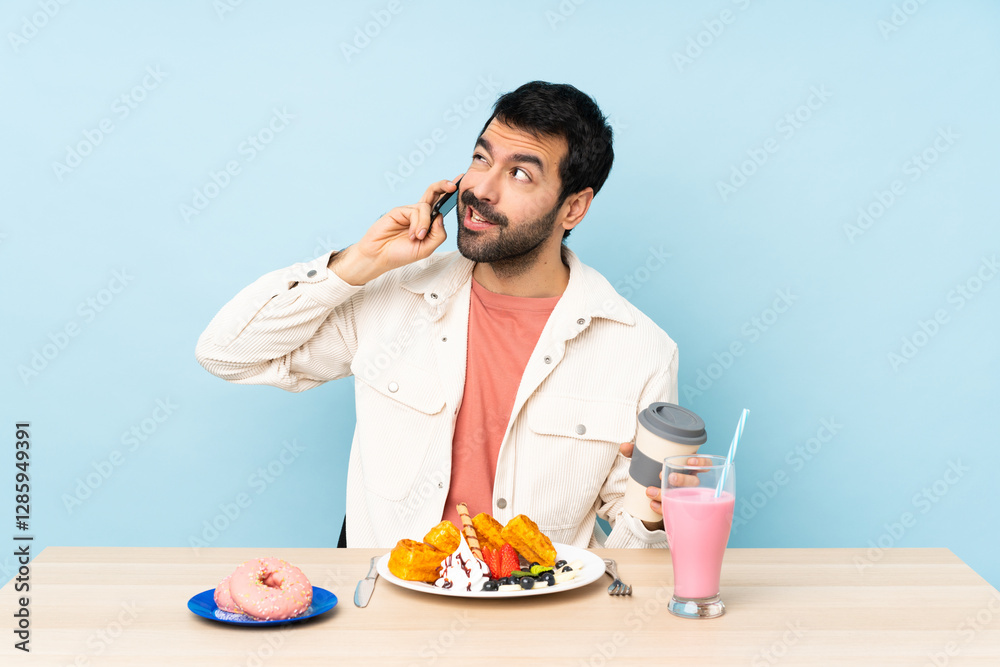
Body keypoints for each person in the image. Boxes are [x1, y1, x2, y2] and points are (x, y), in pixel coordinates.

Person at [195, 80, 687, 550]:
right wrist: (358, 264)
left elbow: (636, 558)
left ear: (573, 208)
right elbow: (227, 353)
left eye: (519, 173)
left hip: (533, 620)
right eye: (480, 159)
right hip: (389, 612)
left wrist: (652, 513)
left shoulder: (639, 351)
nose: (482, 189)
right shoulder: (392, 296)